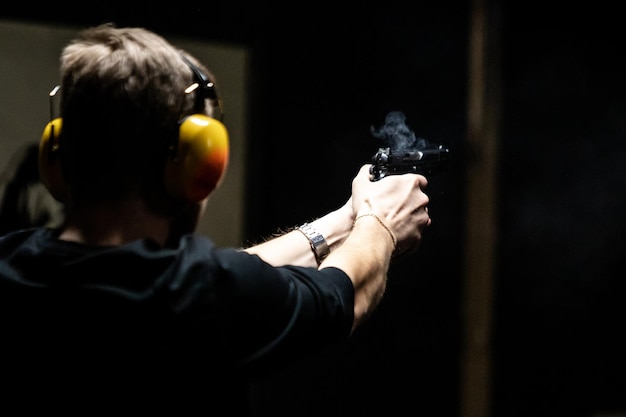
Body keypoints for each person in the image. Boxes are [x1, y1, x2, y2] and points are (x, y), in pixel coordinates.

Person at [0, 23, 431, 414]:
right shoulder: (208, 297)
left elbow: (215, 280)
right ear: (193, 161)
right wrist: (381, 223)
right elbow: (342, 298)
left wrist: (345, 219)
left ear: (58, 153)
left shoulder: (12, 262)